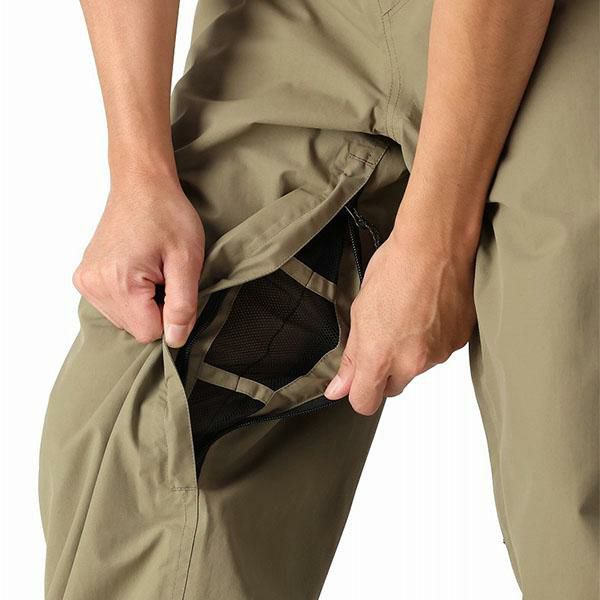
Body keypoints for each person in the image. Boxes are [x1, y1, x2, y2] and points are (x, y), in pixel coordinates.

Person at [38, 0, 598, 598]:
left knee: (569, 476)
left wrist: (436, 236)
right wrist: (139, 173)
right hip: (293, 19)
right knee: (143, 437)